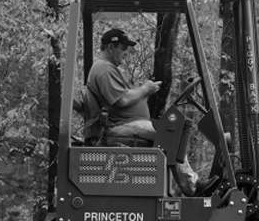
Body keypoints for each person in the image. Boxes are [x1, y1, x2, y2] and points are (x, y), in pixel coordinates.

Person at [86, 28, 217, 197]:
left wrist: (145, 92)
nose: (126, 52)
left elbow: (123, 98)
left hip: (127, 122)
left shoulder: (106, 68)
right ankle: (192, 187)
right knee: (170, 134)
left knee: (172, 131)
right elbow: (123, 100)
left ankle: (184, 186)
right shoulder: (103, 69)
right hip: (119, 126)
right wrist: (145, 88)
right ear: (111, 47)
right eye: (123, 48)